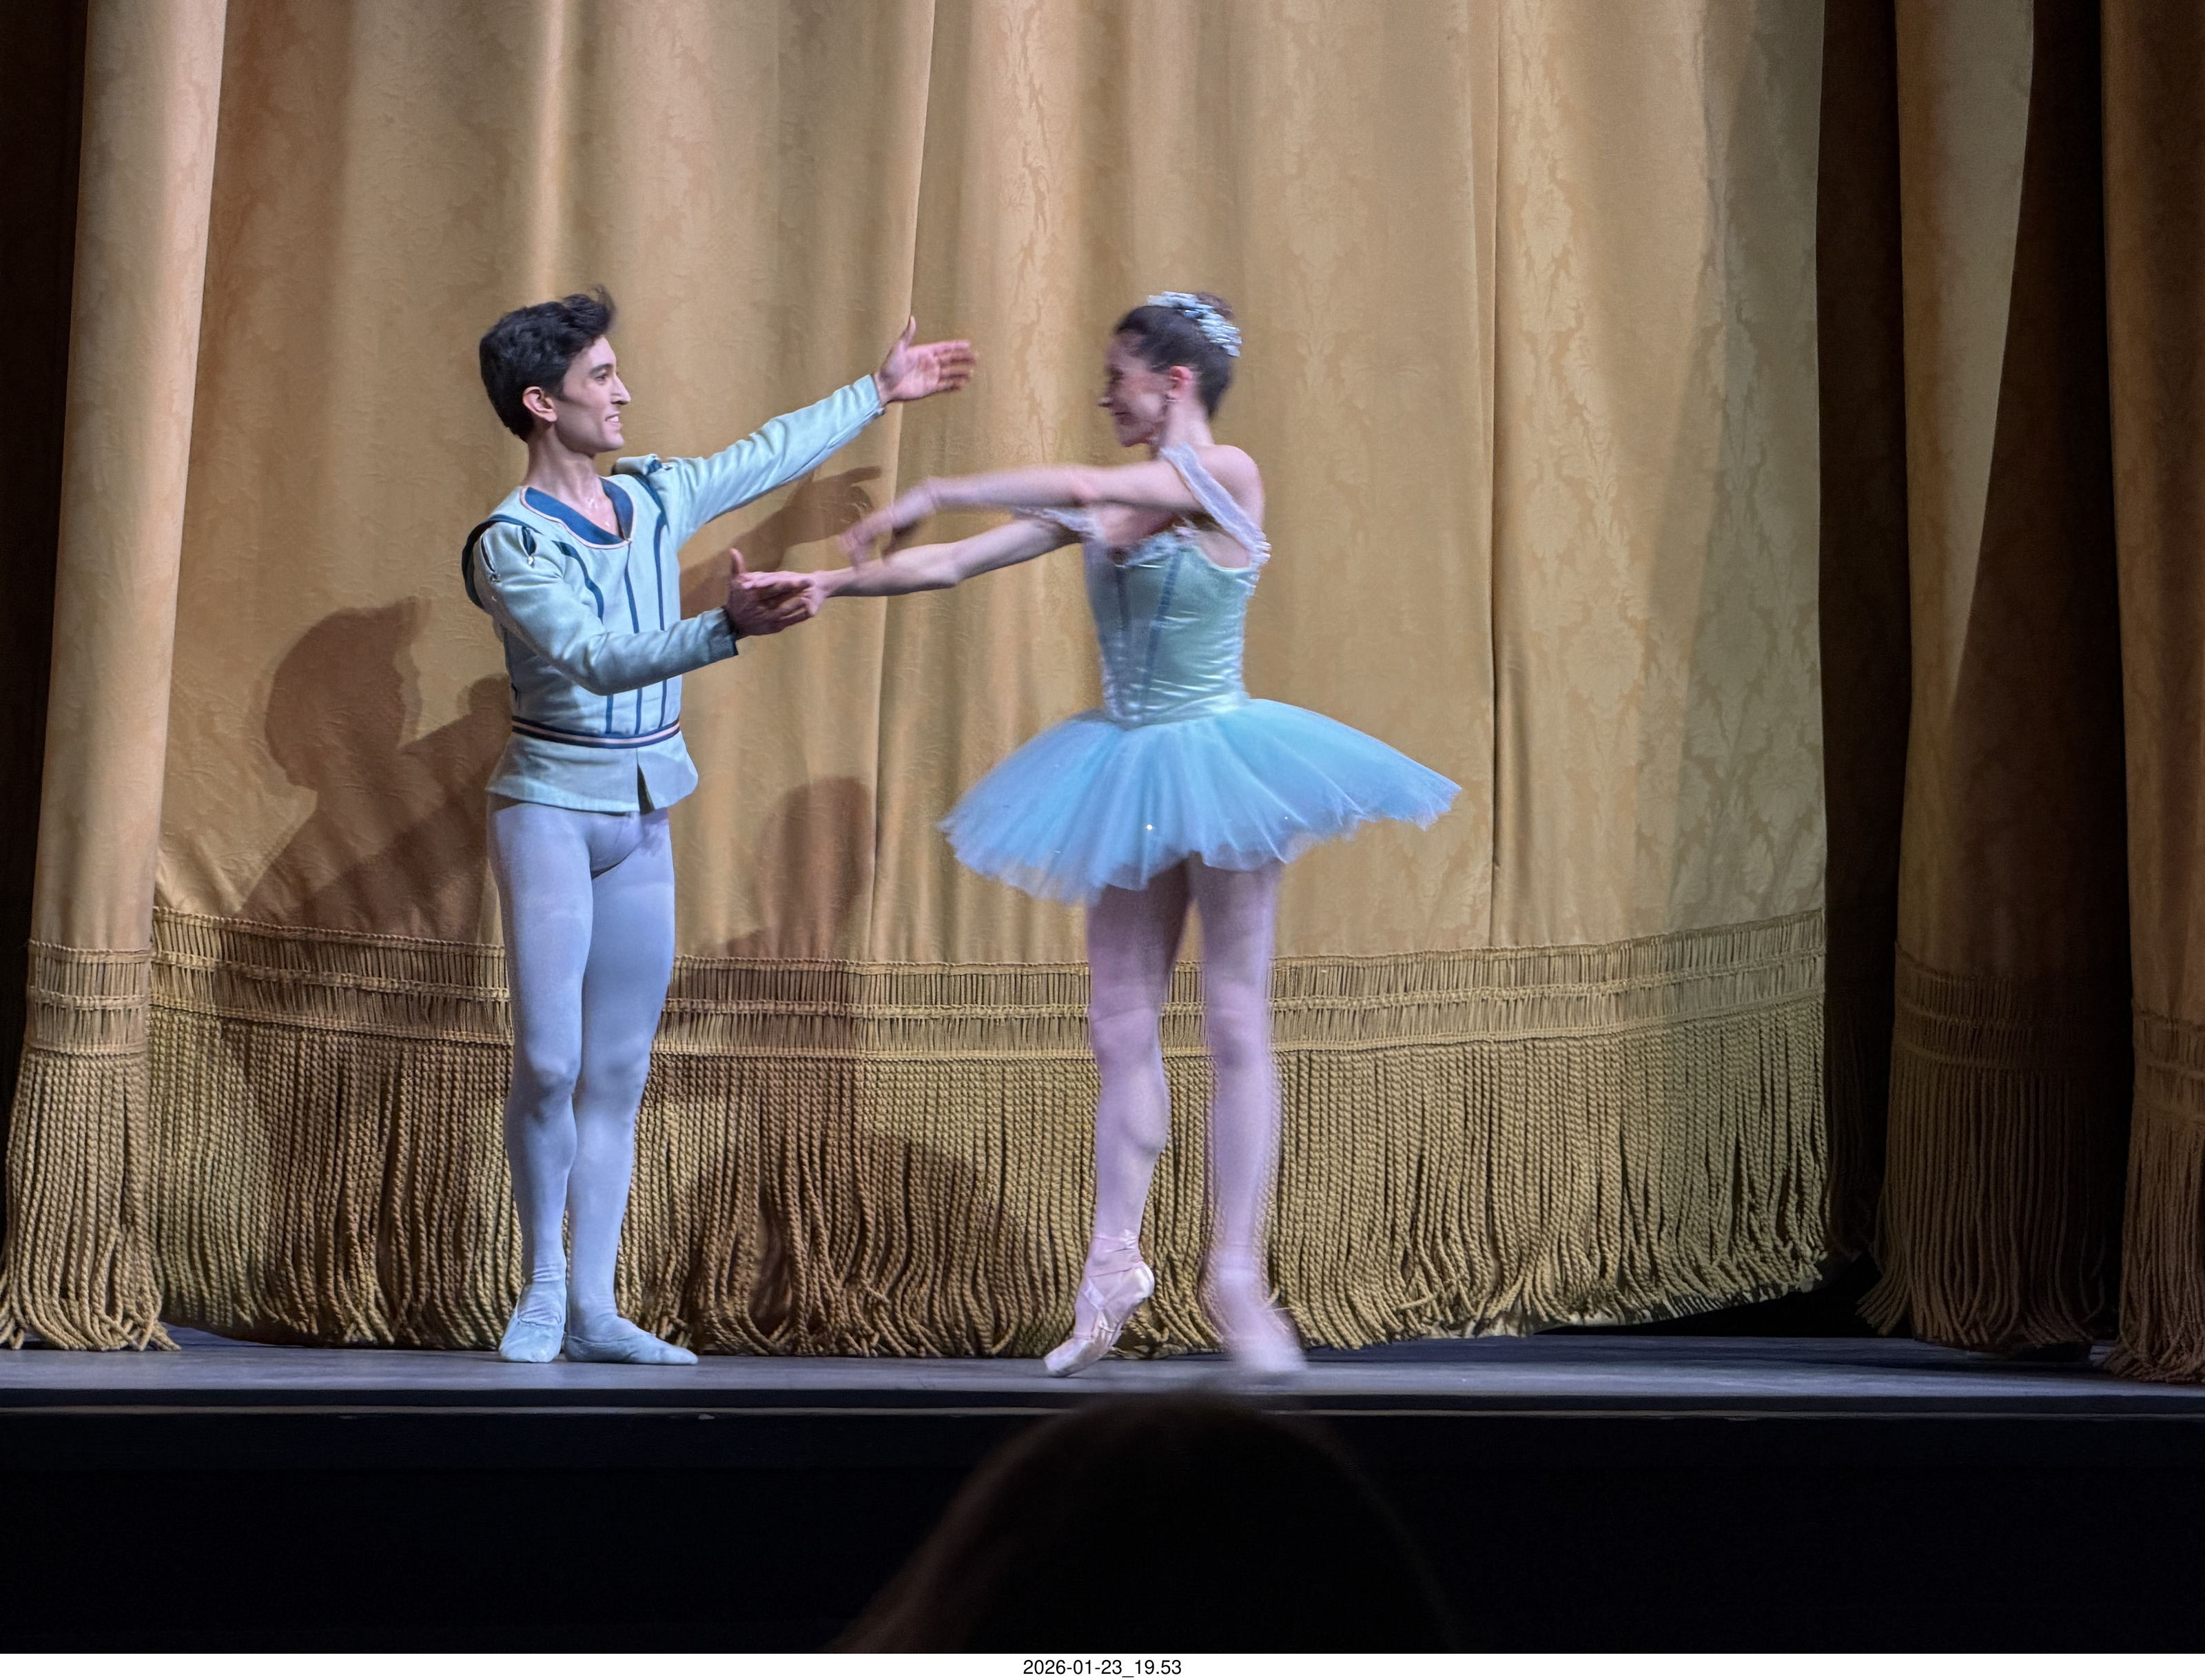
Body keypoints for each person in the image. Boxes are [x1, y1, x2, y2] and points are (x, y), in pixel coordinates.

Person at [761, 292, 1456, 1377]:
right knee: (1118, 1020)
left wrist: (937, 487)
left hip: (1222, 757)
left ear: (1174, 381)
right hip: (1124, 764)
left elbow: (1087, 487)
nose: (1105, 397)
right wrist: (831, 580)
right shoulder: (1107, 504)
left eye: (1117, 377)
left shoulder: (1227, 474)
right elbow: (949, 566)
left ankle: (1235, 1275)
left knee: (1234, 1013)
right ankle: (1111, 1266)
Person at [466, 288, 973, 1362]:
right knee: (550, 1061)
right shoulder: (511, 545)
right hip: (550, 807)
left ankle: (595, 1306)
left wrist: (878, 391)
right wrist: (720, 627)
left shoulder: (653, 495)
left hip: (644, 808)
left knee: (618, 1068)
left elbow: (764, 455)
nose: (623, 392)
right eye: (602, 377)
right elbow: (593, 656)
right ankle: (543, 1284)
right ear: (542, 403)